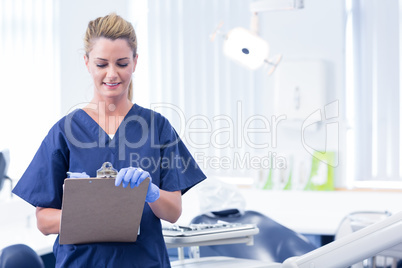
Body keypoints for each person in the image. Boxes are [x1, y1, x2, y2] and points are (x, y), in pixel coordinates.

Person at [12, 13, 206, 268]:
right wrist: (85, 213)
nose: (112, 74)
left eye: (122, 63)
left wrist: (152, 192)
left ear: (135, 62)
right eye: (102, 64)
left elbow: (173, 212)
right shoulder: (66, 131)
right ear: (87, 63)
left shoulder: (157, 127)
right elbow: (44, 221)